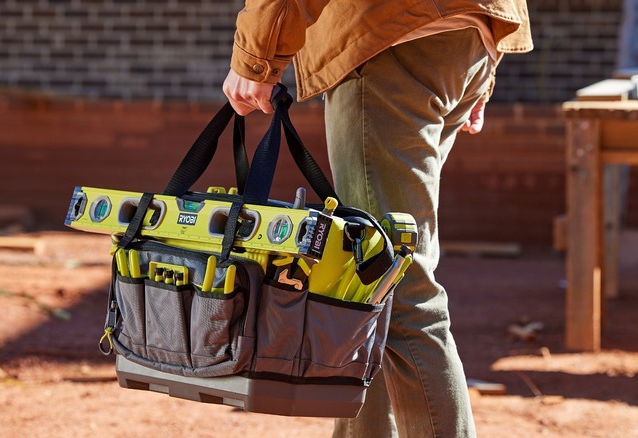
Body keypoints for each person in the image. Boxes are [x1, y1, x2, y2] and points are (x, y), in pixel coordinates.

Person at [222, 2, 532, 437]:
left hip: (390, 37)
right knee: (371, 282)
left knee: (396, 289)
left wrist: (256, 55)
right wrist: (485, 62)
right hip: (464, 37)